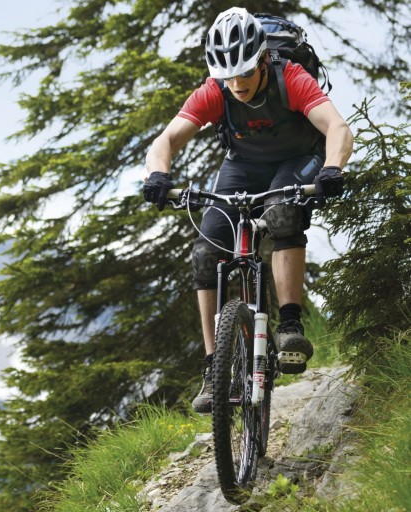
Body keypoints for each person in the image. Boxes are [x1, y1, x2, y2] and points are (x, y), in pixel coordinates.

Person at [142, 7, 353, 413]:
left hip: (297, 159)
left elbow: (337, 128)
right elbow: (165, 140)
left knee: (281, 212)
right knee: (205, 254)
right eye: (228, 76)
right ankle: (212, 368)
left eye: (243, 73)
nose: (236, 84)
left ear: (261, 60)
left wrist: (331, 169)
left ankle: (290, 325)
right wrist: (157, 176)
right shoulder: (215, 90)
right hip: (243, 165)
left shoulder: (290, 77)